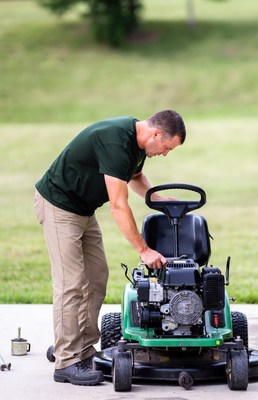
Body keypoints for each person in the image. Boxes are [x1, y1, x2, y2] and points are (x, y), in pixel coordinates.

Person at [34, 110, 186, 385]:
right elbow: (118, 206)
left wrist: (158, 199)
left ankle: (82, 349)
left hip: (83, 210)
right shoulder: (117, 141)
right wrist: (144, 250)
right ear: (156, 134)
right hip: (59, 206)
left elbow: (136, 176)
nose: (165, 154)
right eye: (166, 148)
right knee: (71, 283)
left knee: (96, 277)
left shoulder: (138, 145)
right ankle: (66, 361)